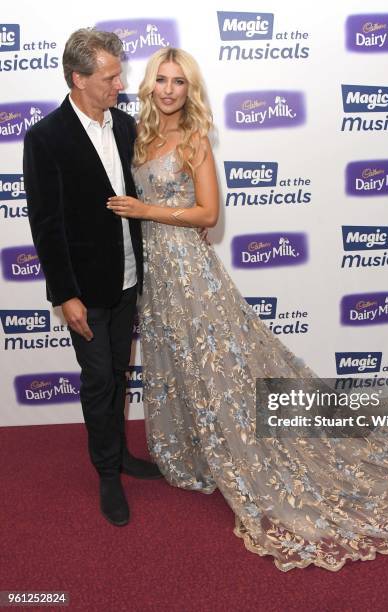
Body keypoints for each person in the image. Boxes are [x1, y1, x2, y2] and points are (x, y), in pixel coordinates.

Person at [107, 47, 388, 571]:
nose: (169, 89)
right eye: (162, 78)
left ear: (190, 89)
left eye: (180, 81)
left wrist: (148, 210)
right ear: (149, 84)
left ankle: (244, 453)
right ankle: (192, 451)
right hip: (156, 274)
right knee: (177, 365)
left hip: (190, 274)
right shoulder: (136, 134)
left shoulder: (195, 139)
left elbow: (209, 211)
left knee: (219, 368)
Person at [23, 28, 162, 528]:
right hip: (84, 290)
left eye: (119, 73)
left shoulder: (125, 126)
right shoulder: (45, 137)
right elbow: (46, 222)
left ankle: (120, 452)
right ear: (78, 79)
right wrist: (66, 295)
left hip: (128, 280)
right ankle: (107, 473)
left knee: (119, 374)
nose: (120, 83)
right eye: (109, 76)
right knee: (99, 378)